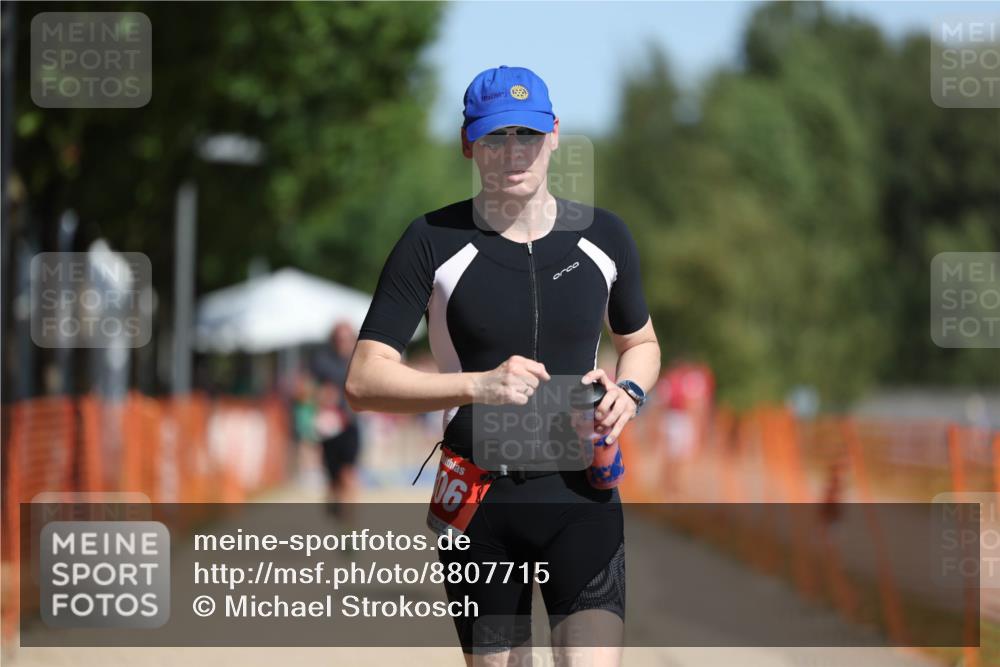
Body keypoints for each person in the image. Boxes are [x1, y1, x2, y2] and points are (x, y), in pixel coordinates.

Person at [346, 65, 660, 666]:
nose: (513, 152)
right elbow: (363, 379)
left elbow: (641, 342)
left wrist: (630, 391)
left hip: (581, 496)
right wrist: (479, 385)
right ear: (470, 143)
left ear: (555, 135)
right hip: (480, 501)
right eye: (494, 137)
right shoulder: (431, 240)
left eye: (527, 134)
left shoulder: (604, 235)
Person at [311, 321, 362, 520]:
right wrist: (320, 395)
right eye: (339, 339)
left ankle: (349, 523)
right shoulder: (322, 361)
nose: (343, 342)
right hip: (329, 429)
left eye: (347, 338)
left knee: (348, 474)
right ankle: (337, 511)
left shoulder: (358, 361)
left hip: (351, 426)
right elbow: (307, 389)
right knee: (333, 480)